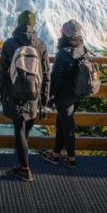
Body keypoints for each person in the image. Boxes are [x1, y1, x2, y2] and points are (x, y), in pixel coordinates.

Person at [0, 10, 50, 182]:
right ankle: (22, 163)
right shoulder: (41, 45)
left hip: (14, 92)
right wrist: (44, 99)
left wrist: (1, 93)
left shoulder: (10, 43)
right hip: (35, 94)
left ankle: (25, 169)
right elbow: (46, 74)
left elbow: (1, 71)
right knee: (25, 130)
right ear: (33, 25)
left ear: (18, 23)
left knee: (19, 128)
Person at [40, 19, 86, 169]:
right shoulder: (82, 49)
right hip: (77, 94)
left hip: (64, 96)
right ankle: (55, 154)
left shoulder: (63, 53)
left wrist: (49, 97)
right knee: (62, 123)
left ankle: (71, 159)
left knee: (67, 126)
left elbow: (56, 78)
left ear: (65, 34)